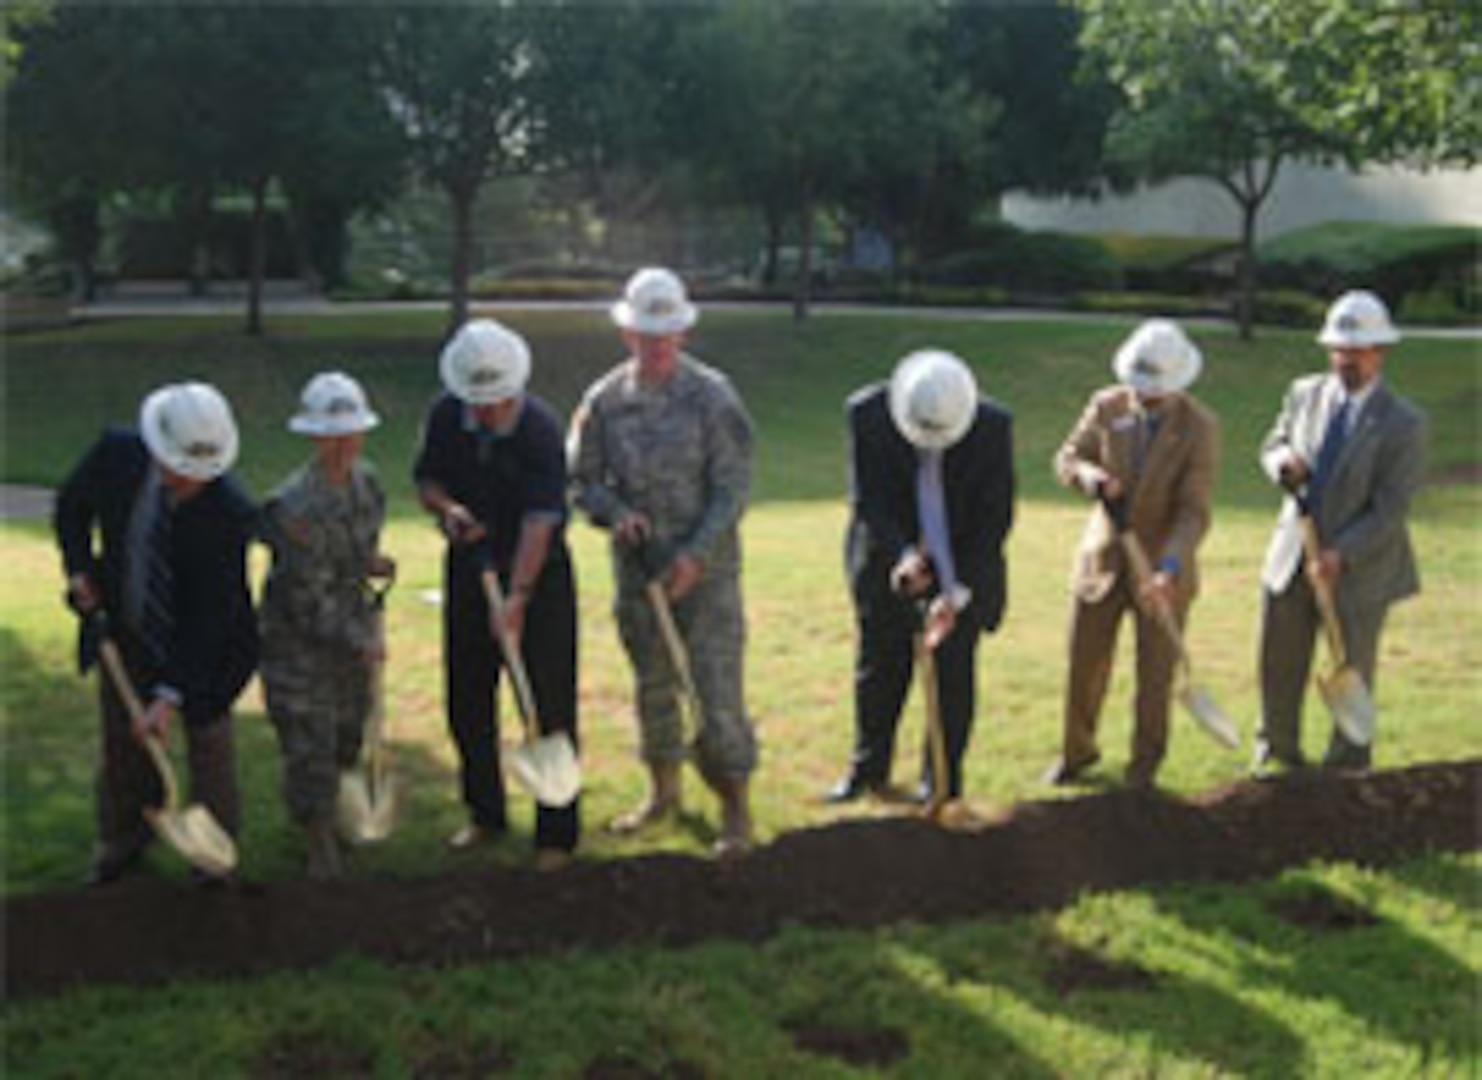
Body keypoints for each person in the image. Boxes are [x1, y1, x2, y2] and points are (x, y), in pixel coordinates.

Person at [568, 267, 758, 855]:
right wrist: (613, 512)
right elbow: (581, 482)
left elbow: (733, 488)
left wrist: (695, 556)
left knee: (716, 689)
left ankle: (736, 810)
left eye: (665, 334)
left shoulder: (714, 397)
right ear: (627, 335)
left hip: (707, 577)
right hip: (640, 577)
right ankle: (663, 794)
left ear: (682, 334)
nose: (655, 345)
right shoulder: (603, 402)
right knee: (653, 687)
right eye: (645, 335)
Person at [54, 381, 259, 885]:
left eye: (200, 474)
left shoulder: (230, 513)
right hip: (125, 629)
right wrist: (80, 570)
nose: (190, 483)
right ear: (156, 448)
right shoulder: (115, 456)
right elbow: (70, 507)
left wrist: (169, 697)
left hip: (210, 650)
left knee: (209, 746)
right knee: (125, 746)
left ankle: (213, 861)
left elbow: (212, 618)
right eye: (180, 471)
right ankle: (121, 846)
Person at [414, 318, 580, 871]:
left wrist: (517, 600)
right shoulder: (445, 415)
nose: (486, 413)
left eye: (498, 402)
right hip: (470, 569)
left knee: (547, 703)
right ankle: (485, 814)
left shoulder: (539, 429)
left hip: (540, 577)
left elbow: (540, 523)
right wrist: (449, 510)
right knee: (467, 700)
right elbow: (427, 482)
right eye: (477, 403)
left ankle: (556, 835)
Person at [825, 349, 1014, 805]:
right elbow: (869, 500)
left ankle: (942, 778)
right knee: (879, 668)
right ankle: (867, 770)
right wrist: (904, 556)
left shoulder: (991, 427)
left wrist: (958, 592)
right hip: (888, 558)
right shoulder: (867, 414)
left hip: (961, 560)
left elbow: (994, 518)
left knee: (953, 674)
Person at [1254, 290, 1427, 773]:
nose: (1346, 359)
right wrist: (1281, 462)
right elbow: (1274, 442)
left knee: (1351, 668)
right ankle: (1276, 750)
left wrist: (1341, 554)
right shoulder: (1304, 393)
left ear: (1381, 352)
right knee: (1279, 661)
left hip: (1359, 570)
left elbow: (1391, 508)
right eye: (1339, 349)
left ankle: (1348, 765)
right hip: (1292, 556)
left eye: (1358, 351)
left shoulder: (1404, 423)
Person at [1043, 320, 1219, 790]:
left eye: (1156, 392)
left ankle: (1144, 766)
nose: (1145, 397)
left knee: (1155, 675)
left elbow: (1193, 512)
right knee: (1084, 664)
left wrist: (1169, 569)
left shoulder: (1200, 428)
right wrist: (1090, 478)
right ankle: (1076, 754)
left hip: (1162, 571)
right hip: (1101, 561)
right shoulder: (1107, 405)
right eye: (1139, 387)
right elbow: (1066, 458)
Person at [259, 372, 394, 880]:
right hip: (296, 642)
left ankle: (336, 816)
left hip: (349, 631)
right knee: (308, 741)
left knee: (346, 734)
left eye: (351, 433)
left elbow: (350, 557)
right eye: (332, 435)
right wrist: (363, 639)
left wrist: (371, 563)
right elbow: (306, 598)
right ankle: (318, 841)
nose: (343, 445)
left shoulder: (370, 485)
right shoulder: (291, 507)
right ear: (313, 437)